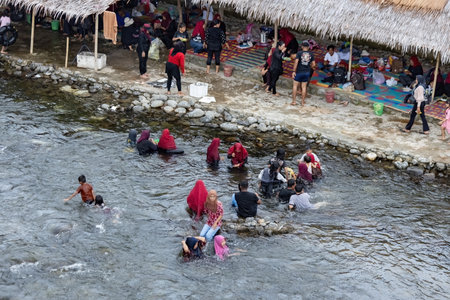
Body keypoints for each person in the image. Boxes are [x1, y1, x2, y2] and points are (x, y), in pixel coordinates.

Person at [292, 41, 316, 106]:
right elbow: (314, 65)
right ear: (308, 47)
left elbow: (296, 62)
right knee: (304, 87)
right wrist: (310, 65)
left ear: (302, 47)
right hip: (307, 73)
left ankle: (294, 101)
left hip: (299, 72)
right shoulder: (311, 54)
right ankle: (302, 102)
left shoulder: (299, 53)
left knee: (295, 86)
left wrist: (294, 71)